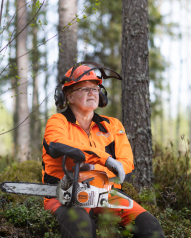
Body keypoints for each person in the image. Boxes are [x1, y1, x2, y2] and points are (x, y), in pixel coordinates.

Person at [42, 64, 164, 238]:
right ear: (68, 96)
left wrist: (103, 176)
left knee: (150, 227)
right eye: (85, 89)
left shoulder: (112, 125)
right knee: (81, 227)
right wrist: (104, 159)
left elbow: (126, 162)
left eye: (95, 88)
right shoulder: (58, 121)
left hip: (107, 194)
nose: (92, 93)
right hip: (65, 194)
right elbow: (57, 145)